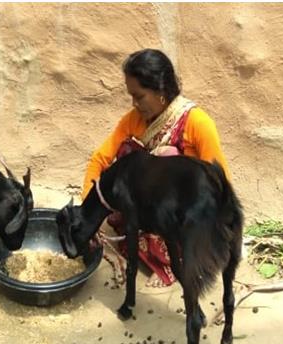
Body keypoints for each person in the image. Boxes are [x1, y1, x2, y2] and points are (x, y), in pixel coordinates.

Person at [81, 48, 231, 288]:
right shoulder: (133, 120)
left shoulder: (198, 124)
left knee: (166, 158)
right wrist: (87, 216)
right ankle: (147, 247)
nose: (134, 103)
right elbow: (100, 160)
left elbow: (219, 186)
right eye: (131, 96)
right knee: (126, 162)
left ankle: (175, 260)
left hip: (184, 218)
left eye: (139, 97)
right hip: (146, 213)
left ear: (161, 90)